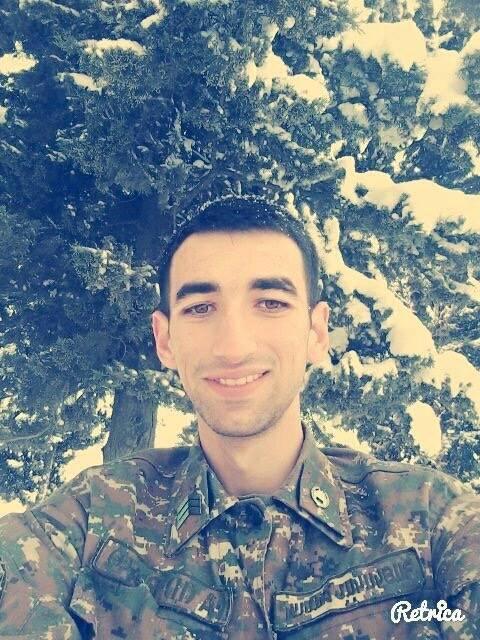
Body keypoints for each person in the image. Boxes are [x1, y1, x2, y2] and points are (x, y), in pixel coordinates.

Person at [0, 195, 479, 640]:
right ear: (165, 340)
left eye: (270, 304)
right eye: (200, 307)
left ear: (316, 332)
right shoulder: (92, 519)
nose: (233, 346)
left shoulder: (433, 521)